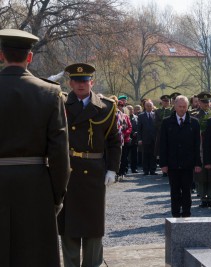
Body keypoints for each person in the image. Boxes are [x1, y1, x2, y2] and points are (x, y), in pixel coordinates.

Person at [0, 29, 70, 266]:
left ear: (1, 55)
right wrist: (57, 195)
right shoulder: (50, 93)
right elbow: (60, 153)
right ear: (29, 57)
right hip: (35, 186)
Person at [59, 63, 121, 267]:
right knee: (69, 225)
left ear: (91, 82)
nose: (80, 85)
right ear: (70, 82)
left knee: (93, 225)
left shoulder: (107, 107)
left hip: (94, 171)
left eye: (85, 81)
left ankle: (93, 264)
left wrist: (112, 169)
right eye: (76, 81)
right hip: (68, 169)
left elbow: (114, 141)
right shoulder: (61, 104)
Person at [160, 95, 202, 217]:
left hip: (188, 163)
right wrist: (163, 163)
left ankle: (186, 213)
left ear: (187, 107)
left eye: (184, 107)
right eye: (180, 106)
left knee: (187, 190)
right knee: (174, 190)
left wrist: (198, 163)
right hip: (172, 162)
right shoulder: (166, 122)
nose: (182, 109)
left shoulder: (194, 122)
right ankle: (175, 214)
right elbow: (163, 144)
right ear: (175, 106)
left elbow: (197, 145)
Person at [193, 92, 211, 208]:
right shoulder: (195, 116)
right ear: (199, 103)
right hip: (200, 148)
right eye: (203, 102)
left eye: (207, 102)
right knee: (201, 174)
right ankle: (203, 198)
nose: (206, 104)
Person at [138, 100, 158, 175]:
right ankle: (145, 170)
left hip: (154, 139)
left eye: (150, 106)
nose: (149, 107)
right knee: (145, 155)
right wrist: (139, 139)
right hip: (144, 139)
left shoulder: (155, 115)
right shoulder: (141, 116)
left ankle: (153, 170)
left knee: (153, 155)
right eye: (147, 106)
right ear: (145, 107)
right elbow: (139, 128)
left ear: (152, 106)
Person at [154, 95, 172, 177]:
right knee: (162, 152)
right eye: (164, 101)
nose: (166, 102)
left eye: (167, 101)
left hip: (171, 133)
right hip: (161, 133)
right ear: (162, 102)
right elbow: (156, 122)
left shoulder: (172, 110)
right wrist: (164, 126)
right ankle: (164, 170)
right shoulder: (157, 111)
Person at [117, 100, 132, 180]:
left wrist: (124, 134)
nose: (120, 107)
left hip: (125, 140)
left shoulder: (125, 116)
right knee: (117, 157)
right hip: (116, 140)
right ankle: (117, 172)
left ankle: (122, 172)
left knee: (124, 157)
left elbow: (130, 127)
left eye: (121, 106)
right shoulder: (114, 116)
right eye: (118, 105)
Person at [127, 105, 139, 173]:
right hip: (127, 137)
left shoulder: (136, 117)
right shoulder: (124, 117)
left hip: (134, 138)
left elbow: (139, 126)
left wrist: (136, 132)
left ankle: (134, 168)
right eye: (129, 109)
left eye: (131, 109)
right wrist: (132, 132)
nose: (130, 111)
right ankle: (125, 169)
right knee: (126, 155)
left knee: (134, 155)